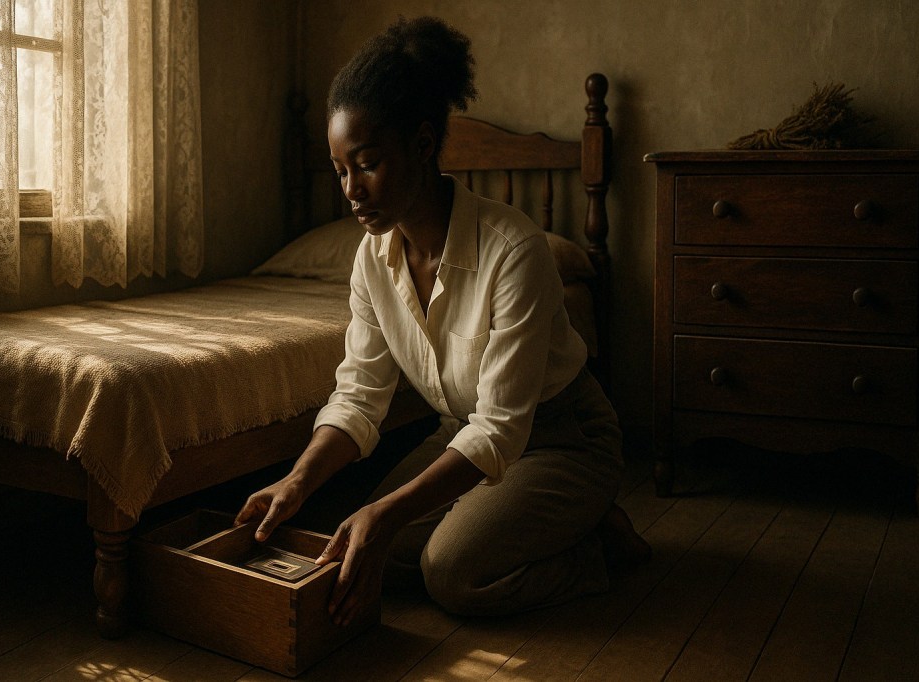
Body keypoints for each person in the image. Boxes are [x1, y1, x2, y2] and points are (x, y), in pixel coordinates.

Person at [235, 16, 649, 627]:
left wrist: (388, 512)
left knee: (449, 573)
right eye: (340, 170)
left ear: (424, 145)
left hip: (564, 439)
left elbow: (503, 427)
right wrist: (297, 482)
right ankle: (530, 526)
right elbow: (359, 397)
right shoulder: (372, 261)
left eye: (368, 164)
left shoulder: (514, 250)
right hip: (463, 435)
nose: (351, 190)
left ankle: (594, 546)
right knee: (348, 549)